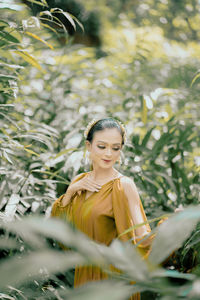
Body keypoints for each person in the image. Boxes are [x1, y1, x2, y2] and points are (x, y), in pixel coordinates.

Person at [51, 118, 159, 300]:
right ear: (89, 145)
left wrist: (171, 226)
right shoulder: (79, 181)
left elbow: (141, 238)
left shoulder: (124, 185)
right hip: (84, 278)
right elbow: (60, 233)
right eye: (102, 146)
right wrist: (70, 193)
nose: (109, 153)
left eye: (115, 148)